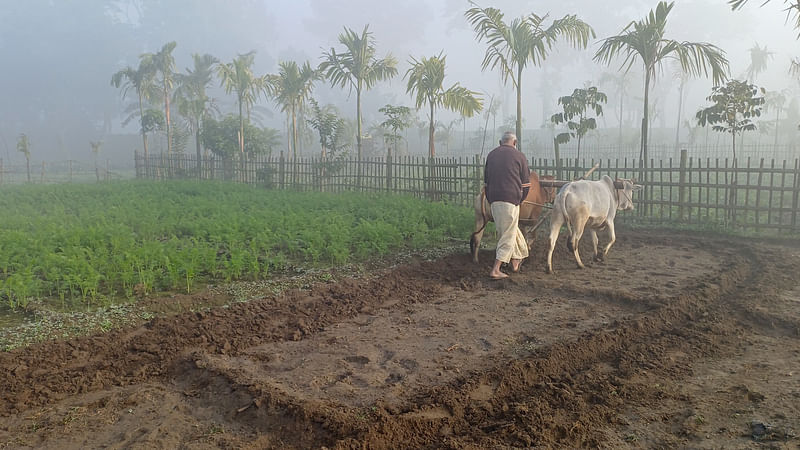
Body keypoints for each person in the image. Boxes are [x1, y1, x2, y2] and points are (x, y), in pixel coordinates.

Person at [484, 131, 531, 280]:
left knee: (510, 230)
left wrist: (490, 199)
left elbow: (486, 182)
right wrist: (520, 199)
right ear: (515, 143)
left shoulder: (491, 155)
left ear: (500, 142)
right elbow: (526, 184)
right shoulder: (519, 156)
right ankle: (496, 269)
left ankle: (516, 261)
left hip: (494, 201)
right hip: (510, 200)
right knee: (507, 235)